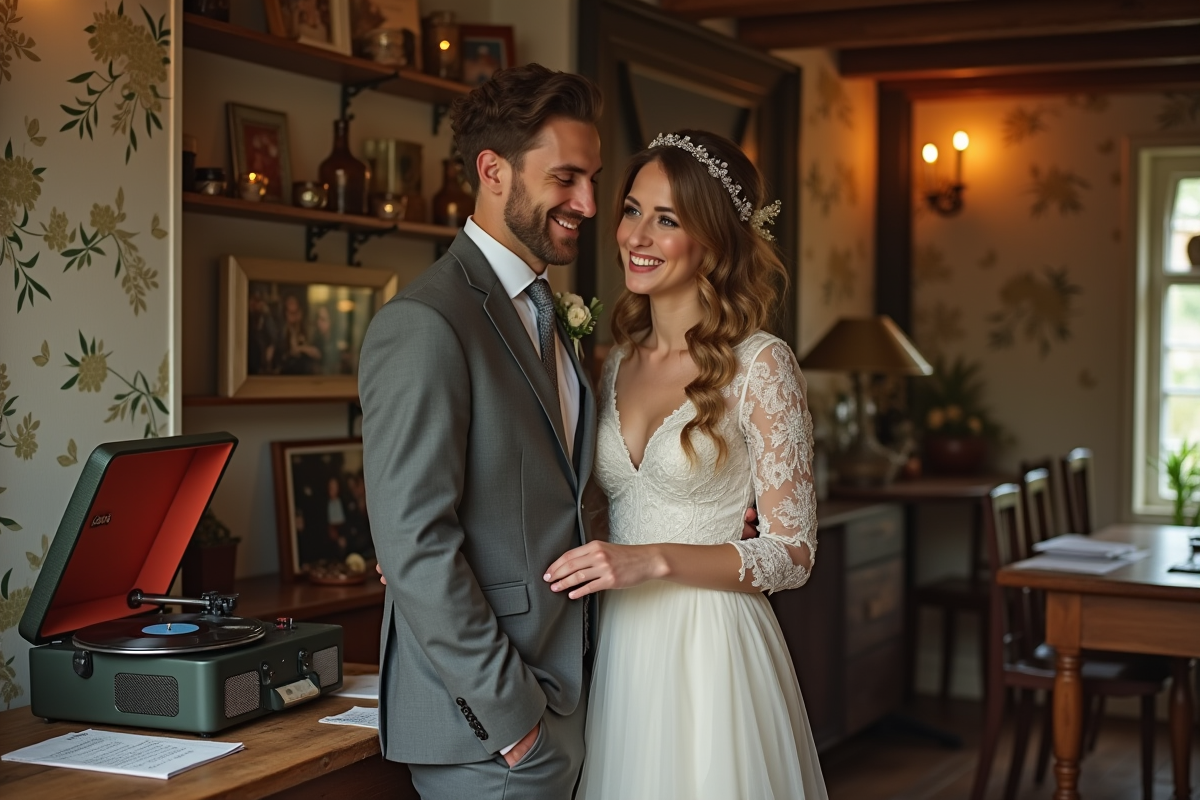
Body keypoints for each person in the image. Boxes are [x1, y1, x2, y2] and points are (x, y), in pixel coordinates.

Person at [546, 130, 828, 799]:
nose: (637, 236)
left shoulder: (761, 364)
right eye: (633, 210)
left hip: (714, 650)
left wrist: (655, 559)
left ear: (713, 240)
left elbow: (793, 553)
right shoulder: (608, 361)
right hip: (621, 646)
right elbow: (581, 500)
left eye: (667, 220)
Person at [357, 64, 604, 799]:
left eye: (591, 179)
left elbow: (563, 493)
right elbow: (415, 543)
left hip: (571, 692)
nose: (588, 202)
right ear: (493, 171)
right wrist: (511, 722)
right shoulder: (426, 323)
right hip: (492, 732)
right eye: (566, 178)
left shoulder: (544, 310)